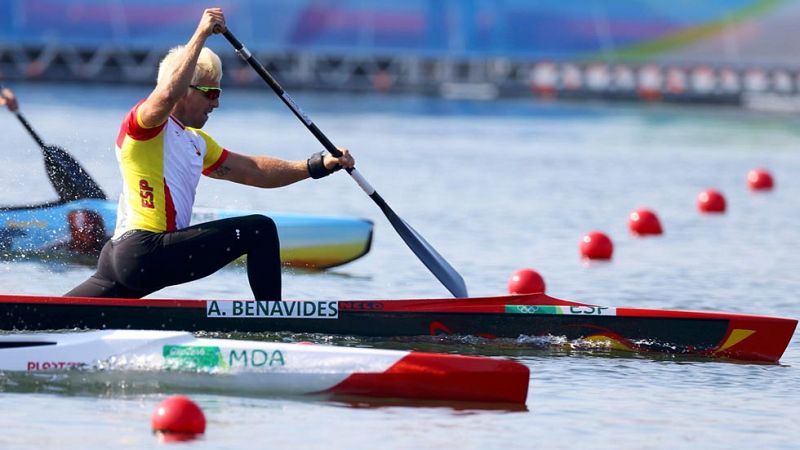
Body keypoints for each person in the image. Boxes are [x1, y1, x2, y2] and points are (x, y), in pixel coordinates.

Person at [66, 8, 354, 300]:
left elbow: (254, 171)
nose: (215, 104)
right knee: (259, 231)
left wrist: (317, 165)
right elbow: (166, 94)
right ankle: (273, 322)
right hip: (145, 251)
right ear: (185, 90)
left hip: (122, 259)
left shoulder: (197, 142)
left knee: (60, 317)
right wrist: (201, 34)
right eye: (211, 93)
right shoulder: (144, 125)